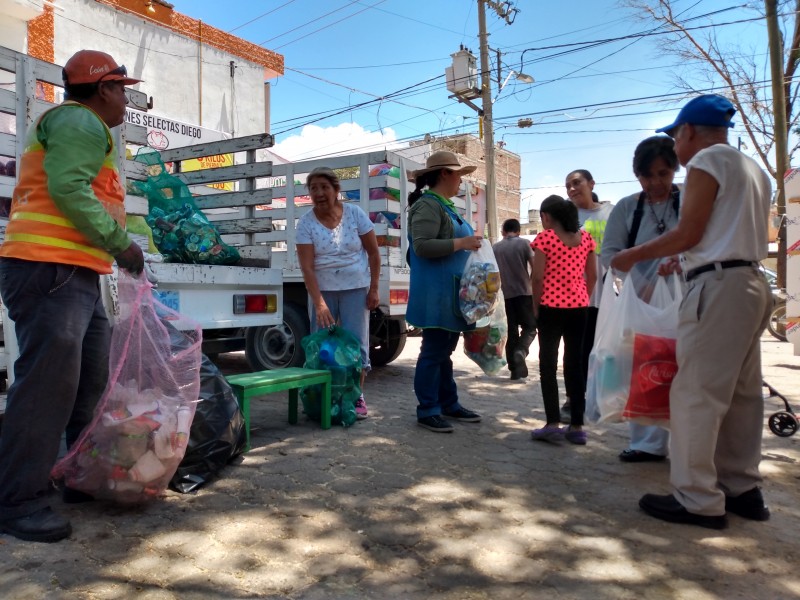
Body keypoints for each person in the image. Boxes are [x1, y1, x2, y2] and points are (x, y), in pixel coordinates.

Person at [0, 50, 145, 543]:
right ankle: (18, 500)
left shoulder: (78, 126)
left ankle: (78, 475)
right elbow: (68, 187)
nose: (126, 100)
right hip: (49, 269)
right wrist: (120, 242)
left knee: (88, 381)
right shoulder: (80, 122)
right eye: (122, 89)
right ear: (103, 89)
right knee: (47, 390)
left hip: (71, 272)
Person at [611, 95, 773, 529]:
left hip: (718, 288)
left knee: (695, 394)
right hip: (752, 283)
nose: (677, 156)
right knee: (741, 394)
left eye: (675, 140)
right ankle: (742, 489)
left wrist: (632, 255)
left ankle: (697, 497)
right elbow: (720, 233)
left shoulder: (707, 162)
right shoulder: (752, 169)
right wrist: (681, 260)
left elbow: (689, 231)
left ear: (687, 132)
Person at [601, 136, 681, 463]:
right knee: (647, 370)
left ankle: (689, 443)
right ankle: (647, 444)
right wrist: (640, 280)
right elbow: (609, 255)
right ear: (638, 176)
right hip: (643, 303)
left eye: (664, 174)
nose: (656, 183)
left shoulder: (691, 199)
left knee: (687, 371)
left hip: (690, 298)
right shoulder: (627, 207)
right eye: (648, 176)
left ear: (674, 170)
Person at [406, 151, 483, 433]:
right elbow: (422, 247)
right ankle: (427, 409)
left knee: (443, 352)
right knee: (433, 351)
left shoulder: (444, 205)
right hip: (435, 295)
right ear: (444, 174)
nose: (461, 181)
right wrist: (462, 243)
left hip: (449, 293)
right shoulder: (428, 205)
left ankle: (448, 403)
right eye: (458, 175)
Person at [296, 166, 380, 420]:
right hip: (324, 292)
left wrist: (374, 288)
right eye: (313, 188)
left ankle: (356, 397)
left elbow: (374, 254)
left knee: (357, 344)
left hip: (355, 288)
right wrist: (319, 304)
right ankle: (323, 398)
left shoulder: (355, 214)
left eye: (324, 187)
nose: (319, 193)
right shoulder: (306, 223)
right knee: (322, 347)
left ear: (336, 190)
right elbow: (307, 267)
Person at [531, 196, 596, 445]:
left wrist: (535, 307)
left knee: (548, 364)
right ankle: (577, 426)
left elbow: (537, 278)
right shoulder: (586, 239)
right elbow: (593, 275)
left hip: (550, 307)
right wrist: (582, 296)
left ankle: (552, 423)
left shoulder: (545, 238)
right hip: (579, 307)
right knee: (574, 364)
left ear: (547, 217)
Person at [563, 169, 614, 423]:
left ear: (591, 183)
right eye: (568, 186)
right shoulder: (569, 217)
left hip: (604, 294)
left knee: (602, 347)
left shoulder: (610, 213)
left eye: (577, 183)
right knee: (575, 349)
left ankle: (601, 396)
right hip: (573, 294)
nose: (572, 189)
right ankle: (574, 398)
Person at [493, 218, 537, 380]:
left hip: (504, 295)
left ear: (503, 232)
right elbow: (535, 265)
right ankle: (522, 350)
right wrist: (531, 283)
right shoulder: (525, 244)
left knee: (511, 332)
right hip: (524, 293)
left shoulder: (495, 248)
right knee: (530, 327)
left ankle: (514, 370)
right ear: (518, 231)